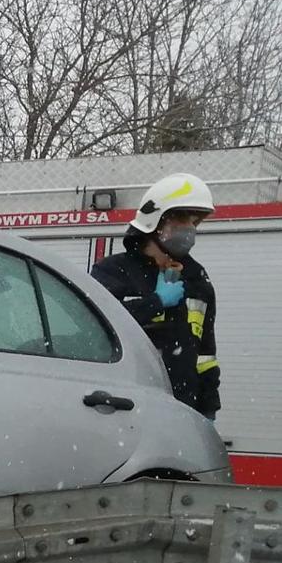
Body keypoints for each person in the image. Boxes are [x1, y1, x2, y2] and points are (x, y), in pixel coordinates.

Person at [91, 173, 221, 423]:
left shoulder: (197, 280)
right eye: (182, 219)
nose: (190, 229)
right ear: (155, 222)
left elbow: (206, 354)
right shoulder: (112, 272)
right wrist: (156, 302)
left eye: (195, 222)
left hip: (183, 410)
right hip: (124, 410)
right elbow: (95, 330)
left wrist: (208, 410)